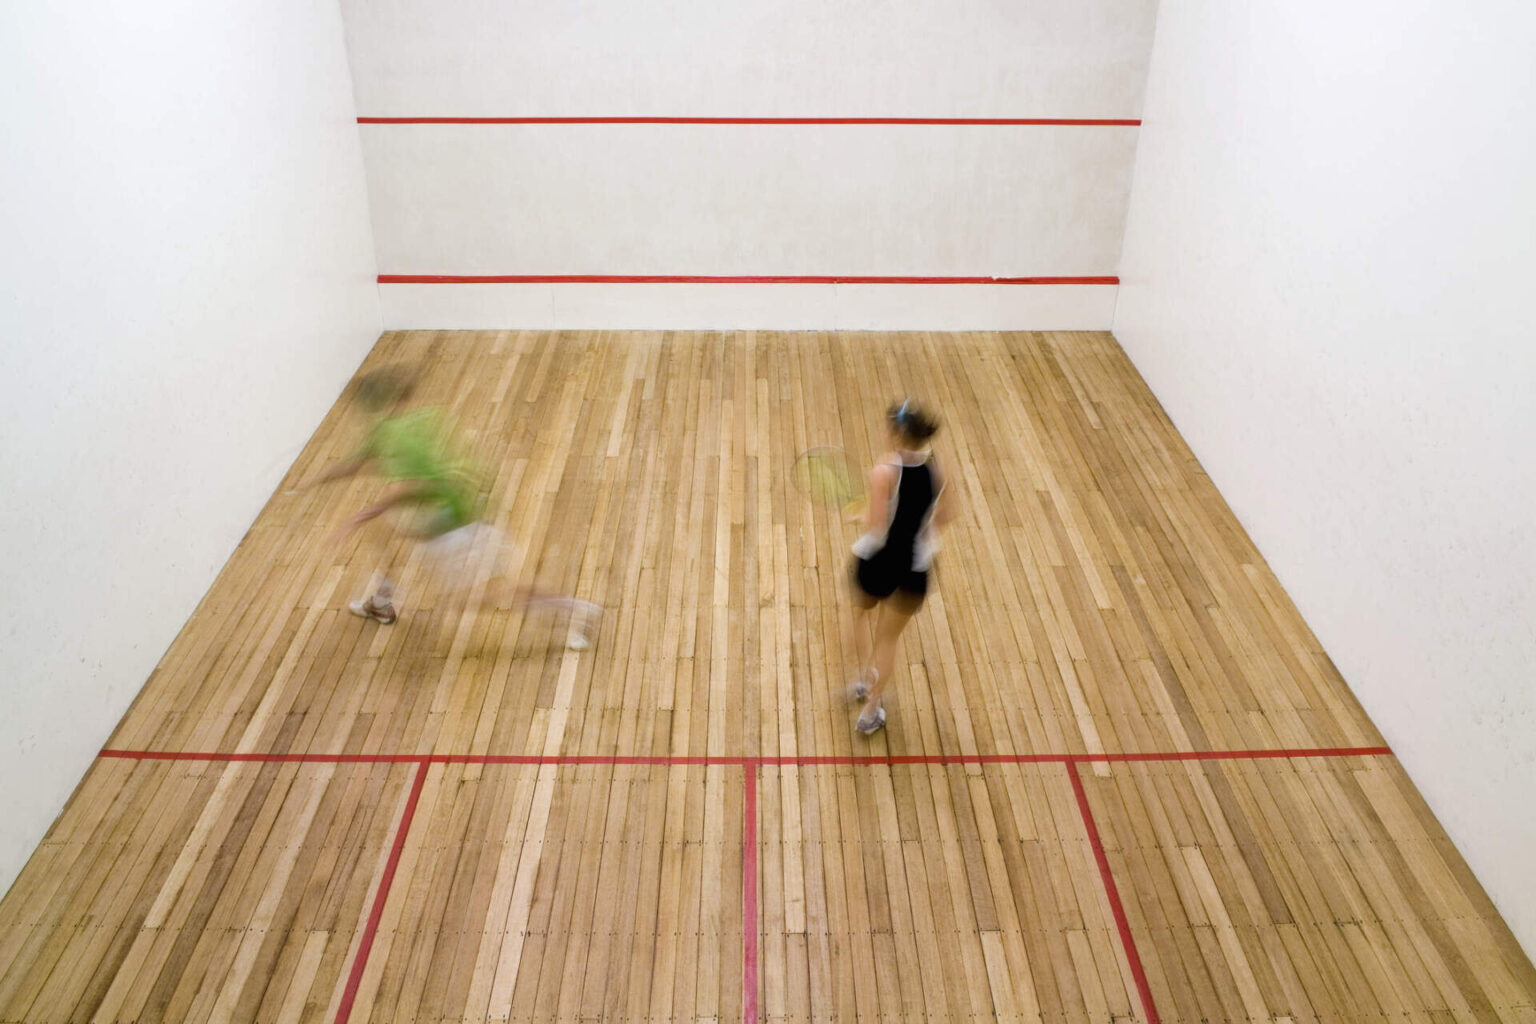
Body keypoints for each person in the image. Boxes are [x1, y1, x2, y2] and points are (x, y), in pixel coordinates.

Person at [310, 368, 599, 649]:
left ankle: (575, 610)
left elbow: (409, 488)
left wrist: (362, 516)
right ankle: (381, 602)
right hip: (461, 507)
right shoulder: (411, 422)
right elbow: (359, 462)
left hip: (455, 521)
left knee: (476, 597)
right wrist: (318, 478)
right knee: (383, 532)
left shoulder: (391, 436)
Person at [843, 399, 957, 734]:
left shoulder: (884, 472)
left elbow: (877, 527)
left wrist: (860, 514)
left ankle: (864, 679)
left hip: (876, 563)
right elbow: (948, 515)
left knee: (859, 616)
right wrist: (921, 530)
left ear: (896, 433)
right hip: (913, 569)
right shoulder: (939, 471)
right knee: (888, 639)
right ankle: (870, 710)